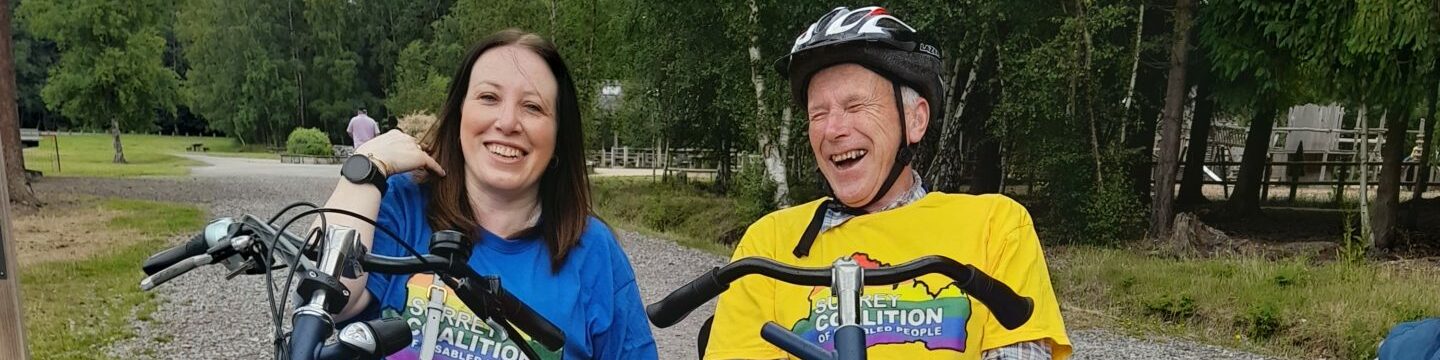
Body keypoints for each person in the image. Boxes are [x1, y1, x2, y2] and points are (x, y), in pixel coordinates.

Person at [705, 6, 1071, 359]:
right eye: (819, 113)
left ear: (915, 120)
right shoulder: (768, 245)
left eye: (855, 106)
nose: (833, 130)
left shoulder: (995, 225)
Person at [319, 29, 658, 359]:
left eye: (533, 107)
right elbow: (328, 300)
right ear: (460, 114)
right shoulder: (401, 205)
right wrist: (365, 169)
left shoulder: (594, 251)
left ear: (558, 137)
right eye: (489, 98)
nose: (508, 122)